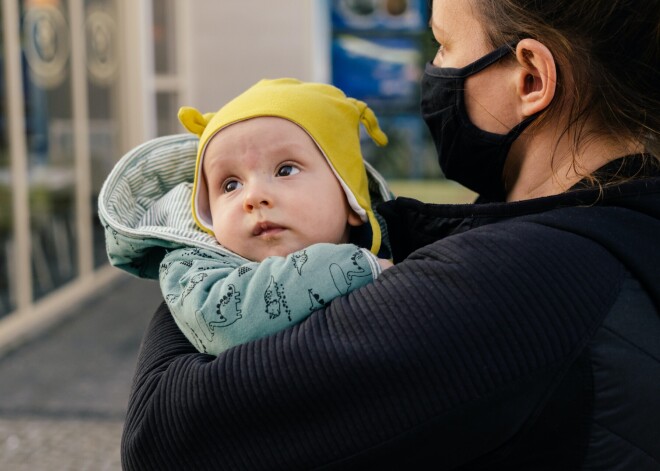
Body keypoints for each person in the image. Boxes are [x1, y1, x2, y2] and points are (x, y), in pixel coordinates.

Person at [121, 0, 660, 469]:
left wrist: (195, 249)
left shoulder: (522, 280)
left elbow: (165, 436)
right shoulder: (598, 219)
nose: (433, 69)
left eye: (444, 45)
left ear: (530, 79)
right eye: (229, 186)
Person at [99, 78, 392, 356]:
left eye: (285, 170)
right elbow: (221, 320)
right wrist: (357, 266)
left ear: (351, 200)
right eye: (231, 185)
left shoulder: (405, 242)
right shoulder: (193, 267)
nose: (253, 198)